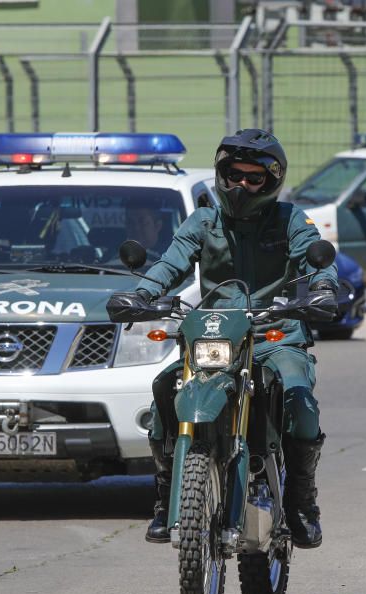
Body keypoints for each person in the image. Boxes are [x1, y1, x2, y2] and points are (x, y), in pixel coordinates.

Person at [135, 128, 338, 549]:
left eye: (254, 178)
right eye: (234, 175)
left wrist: (323, 288)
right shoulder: (203, 221)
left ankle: (302, 502)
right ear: (221, 174)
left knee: (300, 401)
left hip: (273, 333)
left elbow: (314, 254)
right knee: (162, 390)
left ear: (272, 181)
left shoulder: (290, 220)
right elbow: (170, 262)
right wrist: (141, 293)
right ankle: (164, 497)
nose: (242, 185)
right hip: (215, 337)